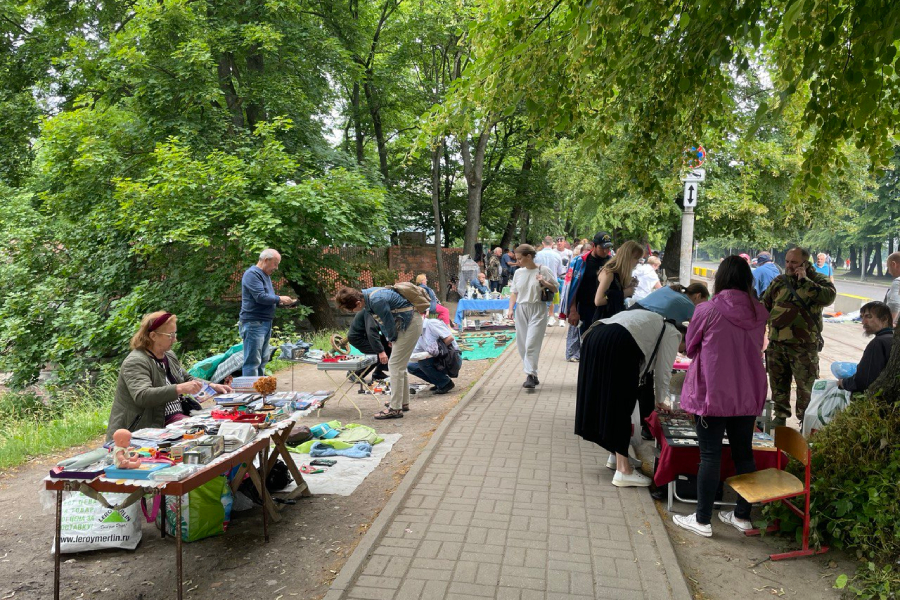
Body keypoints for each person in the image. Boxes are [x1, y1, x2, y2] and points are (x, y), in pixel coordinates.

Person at [671, 256, 770, 538]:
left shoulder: (707, 309)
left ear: (721, 278)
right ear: (748, 279)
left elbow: (691, 347)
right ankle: (742, 515)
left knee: (710, 455)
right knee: (744, 454)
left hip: (712, 392)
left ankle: (702, 520)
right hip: (748, 391)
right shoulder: (759, 311)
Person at [575, 287, 696, 487]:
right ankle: (623, 471)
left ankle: (616, 456)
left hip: (595, 337)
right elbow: (663, 372)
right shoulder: (672, 332)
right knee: (622, 403)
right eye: (683, 349)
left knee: (608, 400)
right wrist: (661, 400)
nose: (681, 352)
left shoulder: (650, 320)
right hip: (617, 343)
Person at [107, 311, 233, 439]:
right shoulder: (136, 361)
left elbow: (186, 378)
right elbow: (142, 396)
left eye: (175, 334)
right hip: (143, 429)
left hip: (174, 420)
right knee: (207, 435)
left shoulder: (168, 355)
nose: (175, 339)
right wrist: (179, 388)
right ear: (153, 336)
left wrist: (212, 386)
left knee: (219, 427)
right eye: (170, 335)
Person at [762, 247, 837, 426]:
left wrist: (805, 281)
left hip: (804, 346)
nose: (789, 265)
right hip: (778, 344)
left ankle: (805, 420)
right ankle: (780, 417)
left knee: (806, 387)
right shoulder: (779, 281)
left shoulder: (818, 280)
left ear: (805, 263)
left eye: (794, 262)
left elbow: (828, 298)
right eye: (787, 261)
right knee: (778, 383)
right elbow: (765, 305)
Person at [335, 286, 424, 419]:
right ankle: (402, 402)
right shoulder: (367, 297)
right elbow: (382, 321)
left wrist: (392, 338)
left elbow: (388, 321)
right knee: (399, 365)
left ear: (358, 303)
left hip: (409, 324)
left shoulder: (375, 300)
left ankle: (395, 408)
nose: (352, 312)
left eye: (351, 309)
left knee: (394, 365)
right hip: (405, 324)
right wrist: (389, 337)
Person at [507, 244, 558, 388]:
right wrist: (510, 309)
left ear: (529, 256)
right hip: (521, 309)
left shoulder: (543, 270)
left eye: (519, 259)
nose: (517, 262)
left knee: (531, 343)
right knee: (522, 344)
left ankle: (529, 375)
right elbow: (514, 292)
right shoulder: (518, 273)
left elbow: (555, 288)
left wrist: (543, 282)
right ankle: (533, 374)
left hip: (538, 309)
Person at [240, 249, 295, 376]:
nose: (276, 267)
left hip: (264, 322)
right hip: (254, 323)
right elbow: (260, 297)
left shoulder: (265, 275)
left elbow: (267, 298)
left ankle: (260, 386)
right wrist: (279, 298)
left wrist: (281, 303)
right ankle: (251, 388)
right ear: (266, 260)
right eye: (275, 263)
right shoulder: (252, 274)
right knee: (252, 362)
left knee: (263, 359)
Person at [560, 231, 614, 336]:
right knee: (586, 339)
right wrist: (573, 311)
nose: (605, 251)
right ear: (594, 246)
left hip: (605, 309)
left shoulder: (611, 262)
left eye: (608, 248)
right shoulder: (580, 262)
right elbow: (572, 288)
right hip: (585, 310)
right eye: (602, 248)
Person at [837, 301, 894, 394]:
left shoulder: (878, 343)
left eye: (868, 317)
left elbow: (863, 381)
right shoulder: (893, 338)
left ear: (884, 319)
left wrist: (843, 383)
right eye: (862, 317)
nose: (863, 322)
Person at [407, 318, 461, 395]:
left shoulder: (432, 323)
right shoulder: (418, 333)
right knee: (411, 366)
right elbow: (416, 351)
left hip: (451, 357)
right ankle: (439, 382)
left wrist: (435, 350)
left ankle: (446, 384)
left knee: (423, 363)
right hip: (437, 358)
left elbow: (450, 338)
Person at [594, 240, 644, 320]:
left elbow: (615, 289)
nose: (638, 262)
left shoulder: (619, 272)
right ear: (628, 257)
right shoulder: (609, 273)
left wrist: (628, 284)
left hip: (615, 317)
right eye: (636, 258)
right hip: (605, 319)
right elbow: (599, 301)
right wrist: (624, 293)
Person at [347, 310, 390, 381]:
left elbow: (383, 326)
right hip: (357, 337)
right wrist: (380, 351)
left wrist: (389, 339)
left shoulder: (382, 309)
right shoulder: (369, 310)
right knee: (376, 354)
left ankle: (378, 373)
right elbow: (371, 331)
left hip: (367, 335)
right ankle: (355, 373)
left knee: (388, 346)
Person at [535, 236, 564, 323]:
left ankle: (541, 317)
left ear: (543, 243)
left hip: (539, 281)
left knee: (539, 300)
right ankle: (551, 316)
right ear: (552, 243)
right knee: (551, 299)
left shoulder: (537, 255)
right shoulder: (557, 255)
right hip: (552, 282)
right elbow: (560, 271)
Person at [884, 252, 900, 325]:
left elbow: (895, 304)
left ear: (894, 264)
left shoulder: (898, 282)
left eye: (888, 267)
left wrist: (888, 325)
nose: (889, 272)